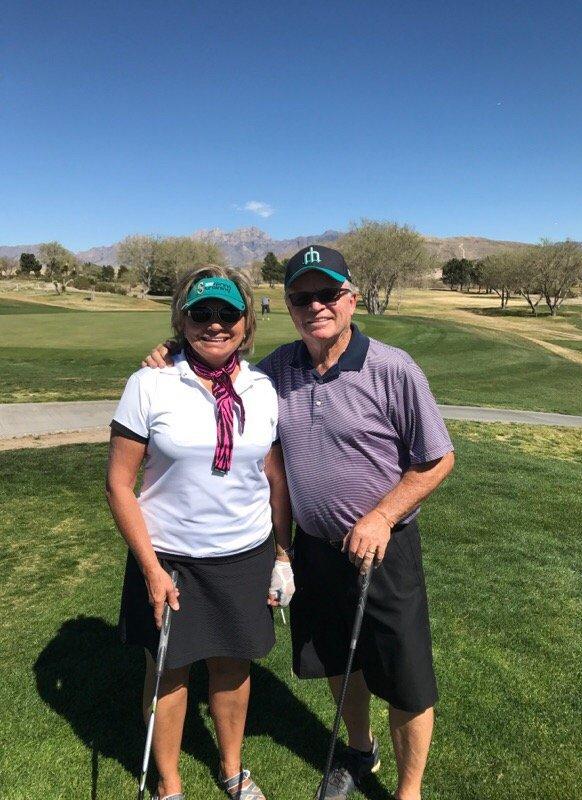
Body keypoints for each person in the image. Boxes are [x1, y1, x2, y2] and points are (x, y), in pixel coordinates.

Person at [144, 245, 455, 800]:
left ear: (351, 298)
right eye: (302, 296)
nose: (316, 305)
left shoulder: (392, 367)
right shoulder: (278, 371)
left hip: (384, 548)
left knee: (406, 679)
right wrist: (172, 353)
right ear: (287, 306)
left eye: (328, 293)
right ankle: (358, 751)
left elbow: (437, 458)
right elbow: (220, 367)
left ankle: (409, 794)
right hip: (315, 549)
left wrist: (383, 516)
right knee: (340, 659)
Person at [106, 265, 294, 800]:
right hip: (171, 557)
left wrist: (284, 555)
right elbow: (119, 485)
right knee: (169, 670)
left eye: (227, 313)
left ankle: (232, 768)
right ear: (182, 319)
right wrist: (150, 569)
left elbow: (275, 480)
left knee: (234, 667)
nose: (215, 324)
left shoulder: (262, 388)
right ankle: (169, 784)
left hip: (244, 555)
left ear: (246, 322)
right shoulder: (150, 383)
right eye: (201, 313)